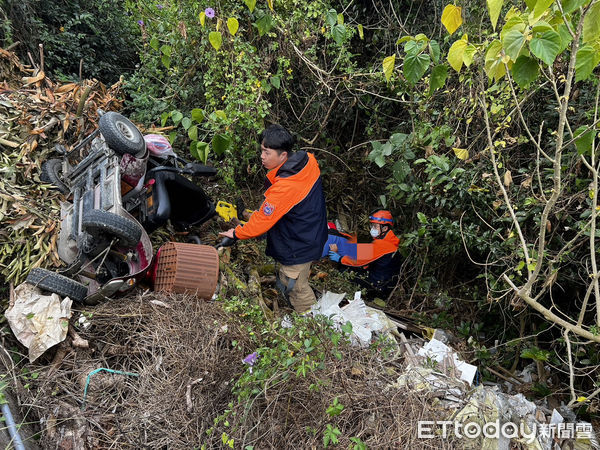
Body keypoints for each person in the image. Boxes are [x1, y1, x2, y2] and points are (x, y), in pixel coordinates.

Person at [219, 124, 328, 313]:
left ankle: (312, 325)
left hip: (299, 244)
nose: (262, 156)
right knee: (291, 280)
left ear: (283, 155)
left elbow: (261, 224)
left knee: (297, 287)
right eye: (262, 150)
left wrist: (236, 233)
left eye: (267, 152)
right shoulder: (307, 160)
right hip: (311, 229)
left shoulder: (285, 188)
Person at [324, 209, 401, 297]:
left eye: (375, 226)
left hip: (378, 286)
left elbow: (357, 257)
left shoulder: (382, 244)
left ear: (385, 228)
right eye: (372, 226)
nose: (372, 229)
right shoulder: (391, 241)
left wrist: (340, 258)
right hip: (385, 283)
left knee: (344, 270)